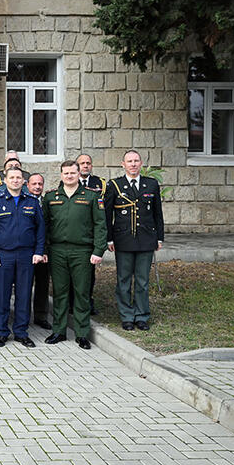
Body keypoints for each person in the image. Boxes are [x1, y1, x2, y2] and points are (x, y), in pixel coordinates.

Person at [42, 160, 107, 350]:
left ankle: (81, 333)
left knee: (82, 292)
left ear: (79, 174)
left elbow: (100, 226)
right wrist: (44, 250)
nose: (69, 176)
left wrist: (98, 250)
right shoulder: (51, 197)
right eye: (66, 173)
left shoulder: (92, 197)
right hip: (57, 251)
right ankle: (59, 331)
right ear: (61, 175)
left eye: (72, 172)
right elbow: (44, 226)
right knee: (60, 292)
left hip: (83, 252)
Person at [104, 149, 164, 331]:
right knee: (123, 280)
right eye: (129, 161)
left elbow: (157, 214)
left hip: (146, 239)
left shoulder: (151, 184)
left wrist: (159, 237)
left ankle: (141, 315)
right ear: (123, 164)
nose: (133, 164)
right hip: (123, 240)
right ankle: (126, 316)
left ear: (141, 163)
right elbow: (107, 215)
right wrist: (109, 239)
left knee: (142, 280)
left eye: (136, 160)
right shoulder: (115, 185)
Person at [0, 167, 45, 348]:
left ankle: (21, 332)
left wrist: (38, 251)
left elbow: (40, 230)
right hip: (3, 255)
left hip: (26, 255)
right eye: (11, 177)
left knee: (24, 294)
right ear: (5, 180)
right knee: (2, 295)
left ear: (23, 182)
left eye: (18, 178)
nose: (15, 180)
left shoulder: (32, 202)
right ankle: (2, 332)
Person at [71, 153, 106, 315]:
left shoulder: (100, 184)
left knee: (89, 274)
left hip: (90, 237)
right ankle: (72, 303)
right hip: (75, 234)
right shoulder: (69, 182)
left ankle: (88, 302)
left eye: (88, 163)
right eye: (82, 163)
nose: (85, 166)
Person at [27, 173, 52, 330]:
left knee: (42, 284)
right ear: (28, 185)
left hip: (44, 251)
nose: (37, 187)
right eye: (34, 184)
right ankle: (22, 315)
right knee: (25, 285)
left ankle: (41, 316)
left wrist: (45, 250)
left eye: (40, 184)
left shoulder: (48, 202)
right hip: (26, 251)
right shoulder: (23, 201)